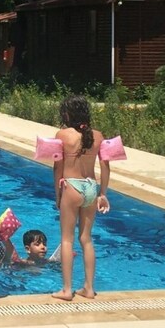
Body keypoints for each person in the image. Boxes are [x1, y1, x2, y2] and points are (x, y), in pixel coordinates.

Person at [52, 95, 111, 302]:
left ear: (67, 114)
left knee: (67, 239)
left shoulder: (62, 135)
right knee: (86, 239)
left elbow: (58, 167)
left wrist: (58, 194)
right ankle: (89, 288)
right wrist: (103, 194)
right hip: (91, 187)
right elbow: (105, 166)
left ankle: (67, 290)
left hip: (71, 186)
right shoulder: (98, 136)